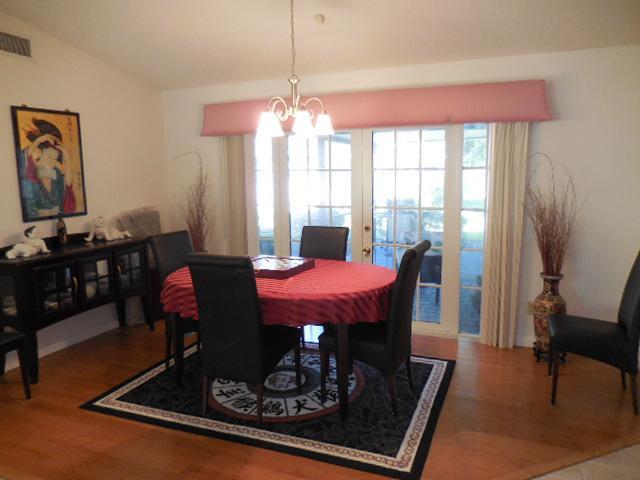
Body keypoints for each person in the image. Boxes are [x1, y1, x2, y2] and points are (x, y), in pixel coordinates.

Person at [19, 119, 76, 219]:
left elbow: (68, 184)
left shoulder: (57, 176)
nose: (53, 163)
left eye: (55, 159)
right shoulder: (32, 174)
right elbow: (28, 154)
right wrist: (40, 139)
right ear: (38, 158)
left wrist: (67, 158)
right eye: (49, 157)